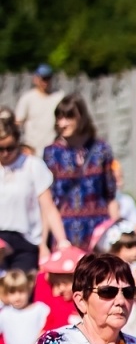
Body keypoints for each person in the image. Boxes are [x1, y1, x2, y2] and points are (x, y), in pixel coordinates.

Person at [42, 95, 118, 250]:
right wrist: (44, 244)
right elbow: (47, 203)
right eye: (59, 117)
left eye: (69, 117)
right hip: (64, 231)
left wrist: (114, 232)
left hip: (98, 230)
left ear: (81, 117)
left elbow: (110, 195)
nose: (62, 123)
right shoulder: (52, 153)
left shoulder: (101, 149)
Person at [0, 115, 68, 274]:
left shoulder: (32, 166)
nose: (5, 153)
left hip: (26, 242)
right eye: (0, 149)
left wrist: (62, 241)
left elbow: (49, 208)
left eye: (10, 148)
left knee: (21, 293)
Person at [1, 268, 49, 344]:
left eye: (21, 291)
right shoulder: (5, 314)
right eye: (12, 292)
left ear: (28, 289)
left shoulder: (40, 310)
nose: (17, 296)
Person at [14, 66, 62, 157]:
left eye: (48, 78)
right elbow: (18, 122)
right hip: (32, 149)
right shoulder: (28, 98)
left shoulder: (59, 97)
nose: (45, 82)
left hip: (53, 149)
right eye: (43, 79)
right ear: (36, 79)